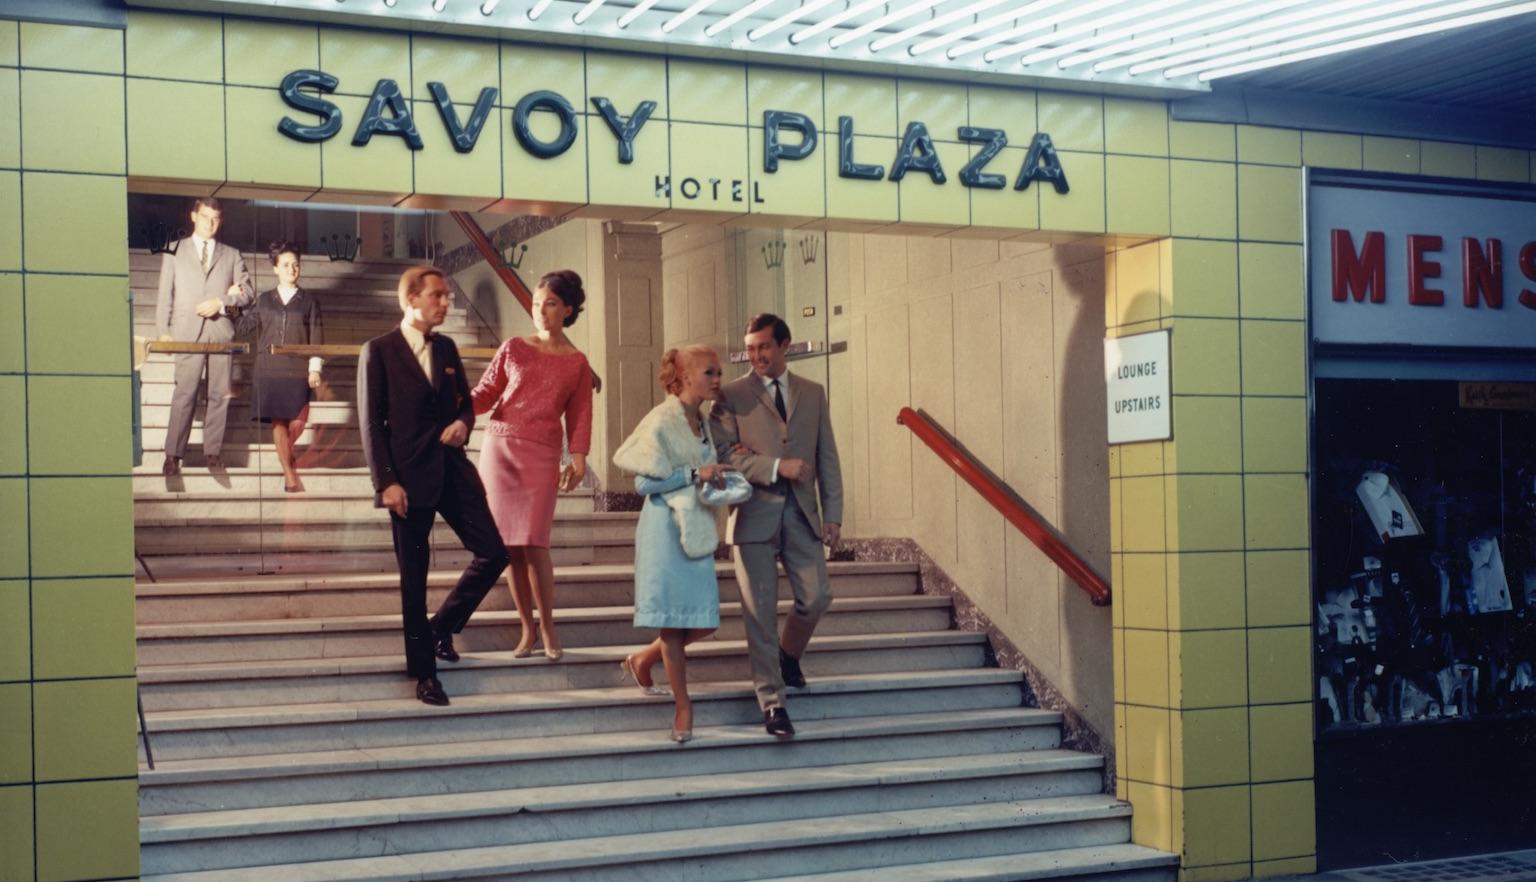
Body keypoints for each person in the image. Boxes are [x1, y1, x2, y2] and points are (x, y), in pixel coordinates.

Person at [357, 266, 510, 706]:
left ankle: (442, 627)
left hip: (453, 473)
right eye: (438, 296)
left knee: (494, 552)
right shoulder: (379, 351)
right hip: (406, 480)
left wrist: (463, 424)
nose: (446, 302)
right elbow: (370, 424)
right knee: (414, 579)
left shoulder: (446, 347)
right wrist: (386, 483)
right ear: (411, 300)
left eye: (446, 295)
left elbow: (465, 405)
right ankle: (424, 673)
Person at [709, 314, 843, 739]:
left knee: (817, 597)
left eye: (763, 347)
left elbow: (827, 457)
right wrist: (774, 466)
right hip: (753, 517)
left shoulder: (813, 393)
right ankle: (772, 704)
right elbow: (726, 457)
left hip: (803, 515)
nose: (756, 356)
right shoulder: (730, 396)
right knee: (759, 616)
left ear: (784, 345)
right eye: (750, 349)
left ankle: (789, 655)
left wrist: (834, 514)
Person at [470, 270, 595, 661]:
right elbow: (485, 393)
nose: (540, 310)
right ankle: (526, 630)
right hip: (501, 449)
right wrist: (449, 406)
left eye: (551, 303)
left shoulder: (577, 362)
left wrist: (578, 456)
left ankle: (549, 627)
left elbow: (579, 414)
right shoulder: (512, 347)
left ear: (568, 310)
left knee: (536, 542)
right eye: (537, 302)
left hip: (542, 452)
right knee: (511, 548)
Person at [613, 345, 732, 743]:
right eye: (710, 373)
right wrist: (694, 473)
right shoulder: (661, 420)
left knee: (704, 620)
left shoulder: (700, 420)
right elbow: (643, 483)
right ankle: (684, 705)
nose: (718, 380)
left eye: (718, 373)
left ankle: (642, 660)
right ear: (682, 378)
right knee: (673, 621)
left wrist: (713, 475)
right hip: (664, 528)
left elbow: (701, 472)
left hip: (694, 527)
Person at [155, 196, 256, 475]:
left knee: (218, 394)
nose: (210, 223)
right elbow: (165, 295)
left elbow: (248, 294)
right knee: (184, 393)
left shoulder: (232, 254)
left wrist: (221, 301)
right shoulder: (174, 250)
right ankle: (173, 455)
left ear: (220, 221)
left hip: (222, 332)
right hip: (187, 332)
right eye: (204, 217)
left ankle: (213, 452)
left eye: (215, 218)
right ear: (193, 217)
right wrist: (163, 332)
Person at [236, 242, 323, 493]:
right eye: (285, 265)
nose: (291, 269)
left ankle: (286, 455)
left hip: (297, 369)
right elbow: (243, 327)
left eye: (295, 264)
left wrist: (314, 368)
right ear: (275, 269)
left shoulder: (309, 301)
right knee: (279, 424)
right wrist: (230, 302)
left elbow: (317, 335)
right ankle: (289, 475)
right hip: (269, 369)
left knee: (298, 421)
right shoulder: (264, 299)